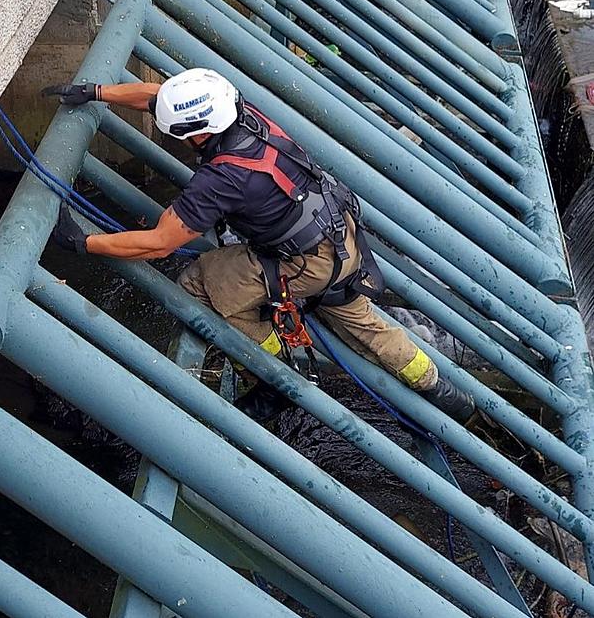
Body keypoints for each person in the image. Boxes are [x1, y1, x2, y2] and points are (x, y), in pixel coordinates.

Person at [43, 68, 474, 422]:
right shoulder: (243, 115)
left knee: (199, 280)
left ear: (194, 133)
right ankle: (448, 394)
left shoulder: (220, 179)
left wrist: (84, 243)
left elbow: (158, 244)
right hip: (341, 238)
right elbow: (159, 95)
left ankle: (275, 370)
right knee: (365, 326)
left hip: (305, 262)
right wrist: (97, 91)